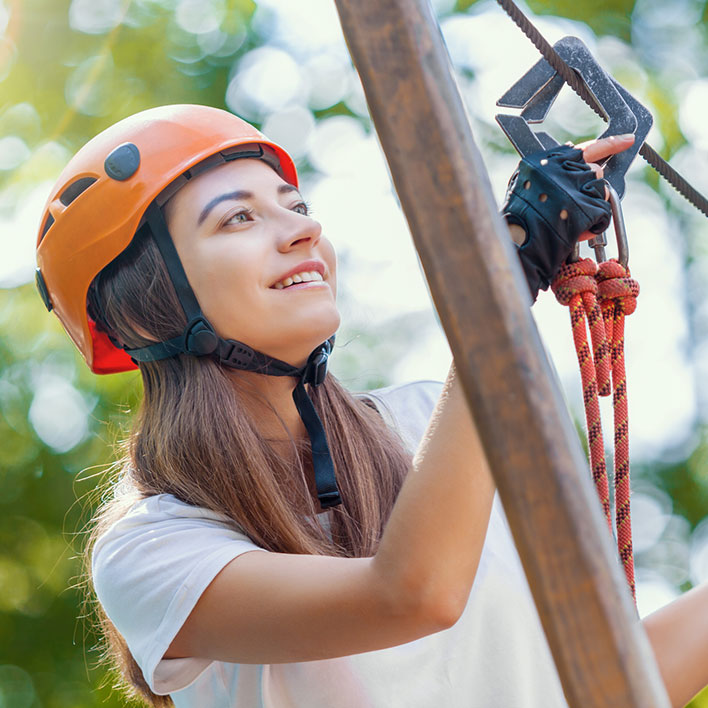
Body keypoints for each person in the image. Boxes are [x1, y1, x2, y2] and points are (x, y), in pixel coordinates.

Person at [35, 104, 707, 708]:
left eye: (294, 206)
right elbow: (414, 594)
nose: (305, 230)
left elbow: (609, 686)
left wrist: (506, 278)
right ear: (150, 308)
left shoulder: (428, 422)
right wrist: (502, 273)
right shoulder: (152, 549)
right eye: (239, 217)